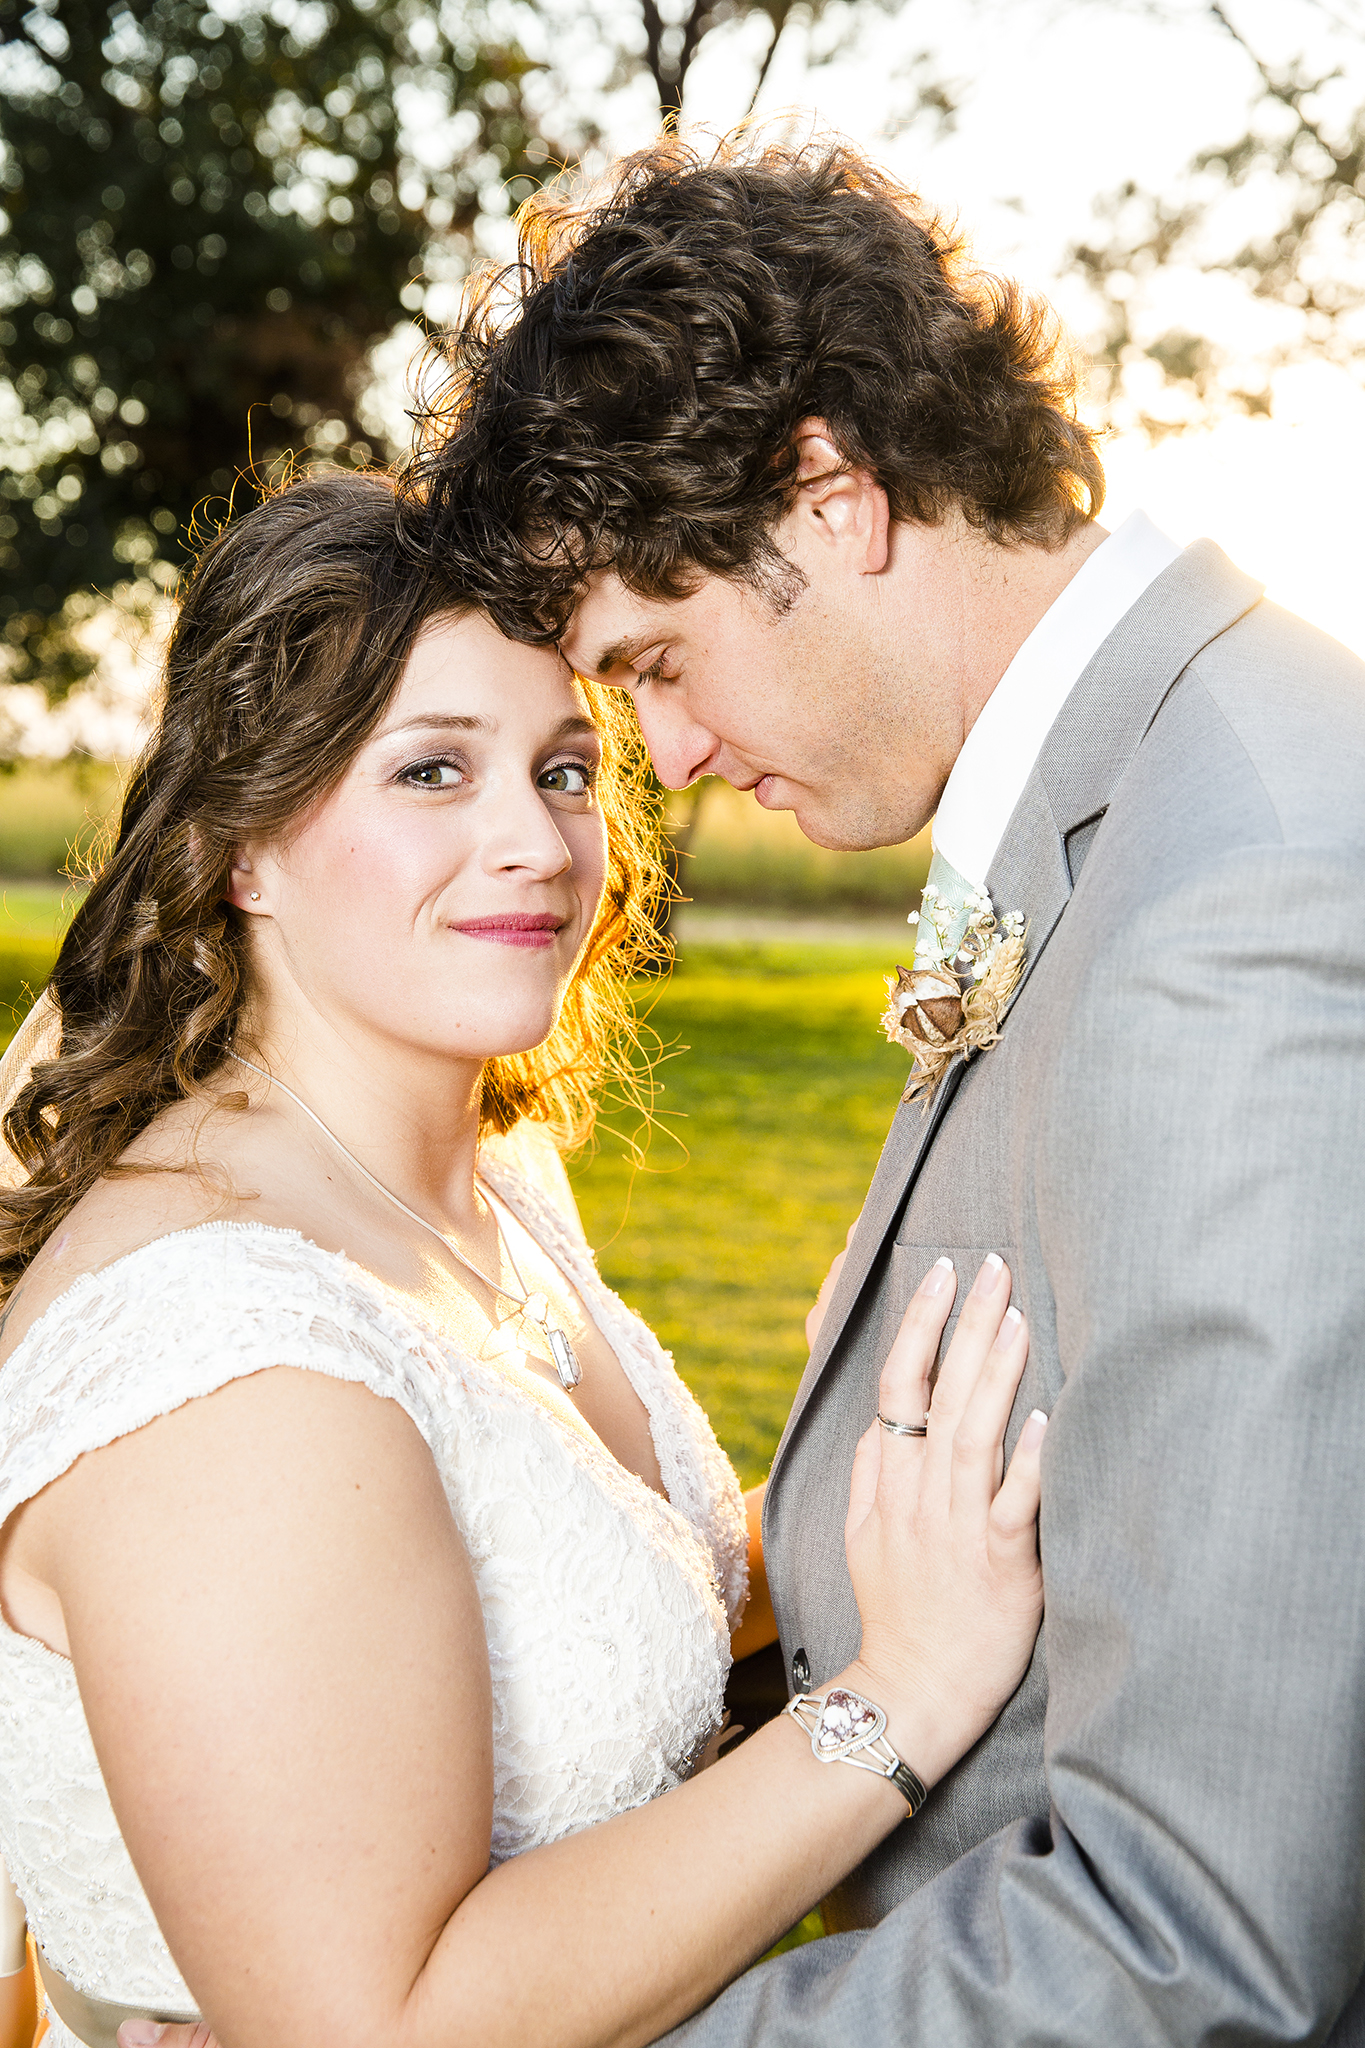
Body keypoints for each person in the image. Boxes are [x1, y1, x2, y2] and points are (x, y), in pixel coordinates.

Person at [405, 132, 1365, 2042]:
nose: (658, 758)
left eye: (657, 661)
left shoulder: (1229, 908)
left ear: (828, 492)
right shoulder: (1175, 786)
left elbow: (1195, 1938)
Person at [0, 469, 1045, 2048]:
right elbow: (384, 2029)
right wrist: (898, 1695)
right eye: (431, 770)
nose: (536, 844)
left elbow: (575, 1587)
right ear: (240, 849)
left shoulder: (489, 1180)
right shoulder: (223, 1363)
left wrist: (881, 1461)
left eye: (564, 770)